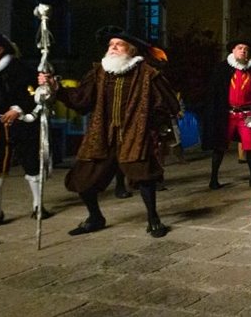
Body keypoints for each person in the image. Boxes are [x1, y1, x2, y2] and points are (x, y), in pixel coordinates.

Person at [38, 27, 181, 238]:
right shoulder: (99, 72)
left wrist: (155, 126)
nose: (112, 47)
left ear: (131, 50)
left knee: (144, 177)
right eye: (110, 45)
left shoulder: (148, 74)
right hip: (102, 135)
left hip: (135, 134)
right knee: (83, 179)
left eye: (118, 44)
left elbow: (167, 103)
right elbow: (81, 99)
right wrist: (54, 87)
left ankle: (153, 219)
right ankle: (95, 217)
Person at [0, 33, 50, 227]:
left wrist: (18, 108)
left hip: (24, 122)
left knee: (31, 161)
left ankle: (38, 205)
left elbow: (37, 92)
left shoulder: (21, 68)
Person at [201, 39, 251, 190]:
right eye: (240, 48)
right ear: (233, 51)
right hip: (227, 115)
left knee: (250, 146)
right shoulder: (222, 69)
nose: (243, 51)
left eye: (246, 49)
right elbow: (213, 94)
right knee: (219, 146)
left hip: (247, 116)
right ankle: (213, 179)